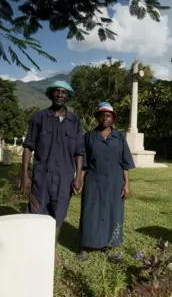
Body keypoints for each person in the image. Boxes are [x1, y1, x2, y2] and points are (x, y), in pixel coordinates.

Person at [21, 80, 84, 243]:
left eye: (64, 92)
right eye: (57, 91)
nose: (60, 95)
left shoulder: (75, 121)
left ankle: (50, 249)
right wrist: (25, 175)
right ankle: (33, 245)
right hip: (42, 175)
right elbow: (28, 146)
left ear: (68, 96)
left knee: (59, 211)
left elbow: (79, 151)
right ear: (51, 94)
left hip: (65, 176)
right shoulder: (39, 117)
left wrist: (78, 178)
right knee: (36, 209)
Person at [76, 102, 135, 260]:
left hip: (115, 182)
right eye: (102, 115)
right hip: (93, 182)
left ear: (113, 118)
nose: (105, 118)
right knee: (90, 211)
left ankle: (110, 246)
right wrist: (80, 181)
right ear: (97, 117)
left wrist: (127, 184)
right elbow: (84, 163)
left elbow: (125, 163)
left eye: (108, 116)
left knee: (113, 213)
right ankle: (85, 246)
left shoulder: (119, 137)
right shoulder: (89, 136)